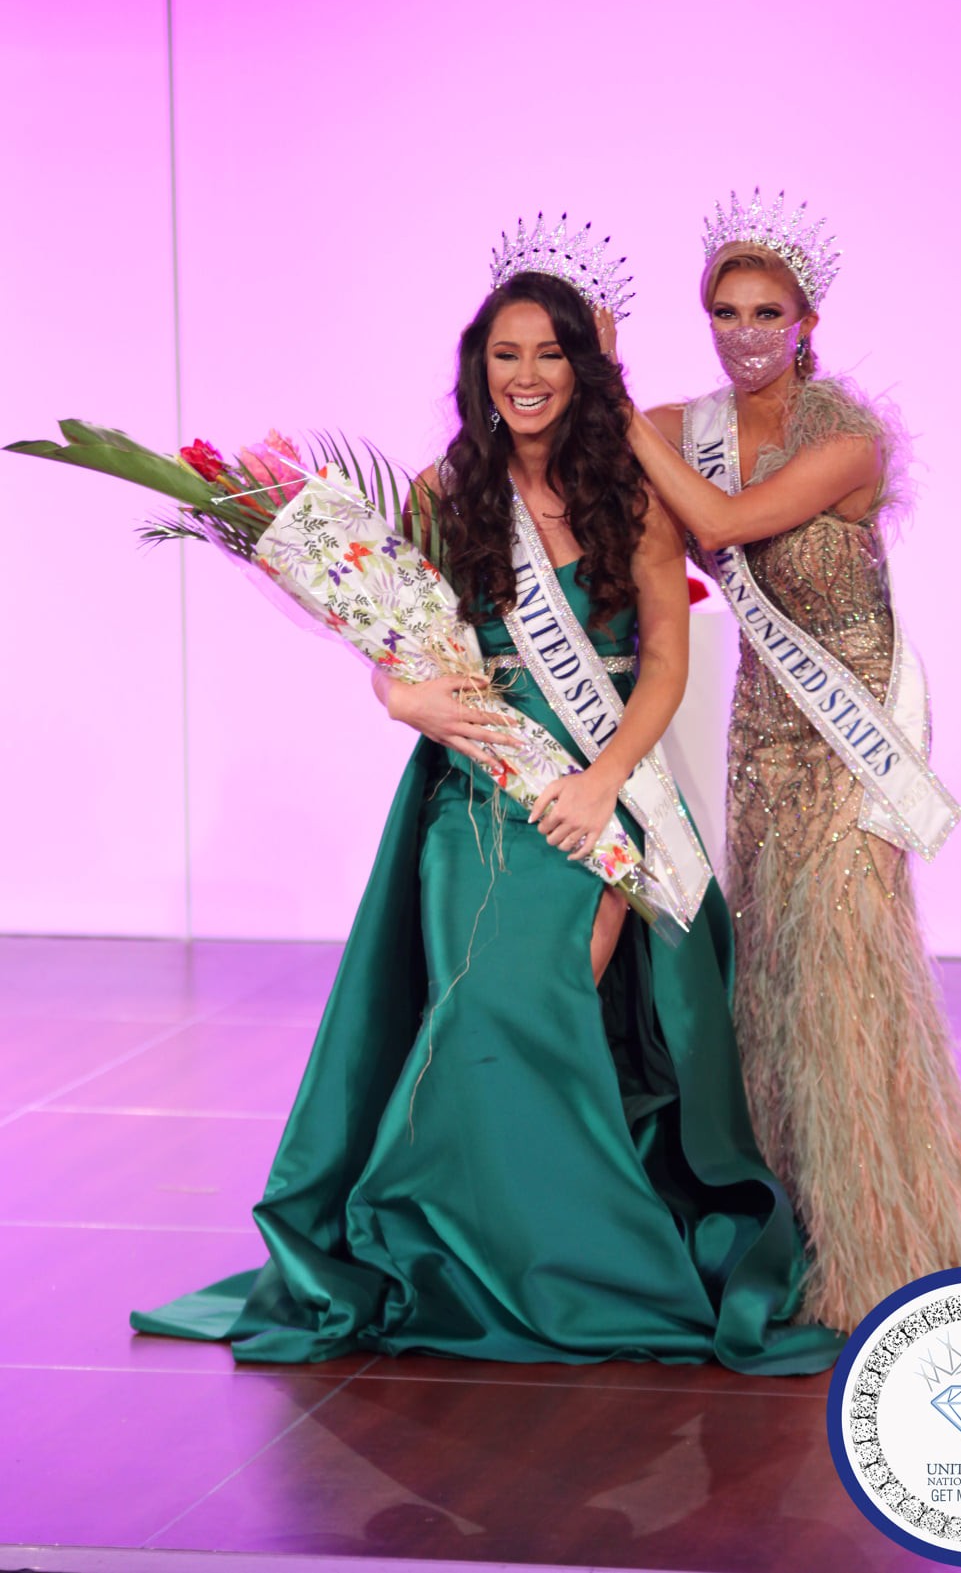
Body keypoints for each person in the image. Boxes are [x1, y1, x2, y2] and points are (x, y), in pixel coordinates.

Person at [130, 218, 843, 1373]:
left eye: (549, 355)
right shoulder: (441, 490)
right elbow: (393, 645)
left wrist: (606, 782)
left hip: (603, 772)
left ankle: (572, 1239)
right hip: (475, 781)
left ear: (583, 367)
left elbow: (663, 660)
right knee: (490, 995)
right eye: (505, 355)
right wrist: (399, 699)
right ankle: (459, 1240)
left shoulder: (634, 496)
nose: (525, 376)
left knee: (572, 973)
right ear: (481, 368)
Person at [622, 188, 961, 1333]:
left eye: (766, 311)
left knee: (844, 971)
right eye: (724, 310)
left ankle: (882, 1237)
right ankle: (790, 1217)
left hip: (853, 729)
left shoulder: (850, 435)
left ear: (807, 317)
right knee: (772, 973)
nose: (744, 332)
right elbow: (594, 460)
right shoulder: (681, 416)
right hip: (763, 734)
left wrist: (623, 419)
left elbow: (719, 515)